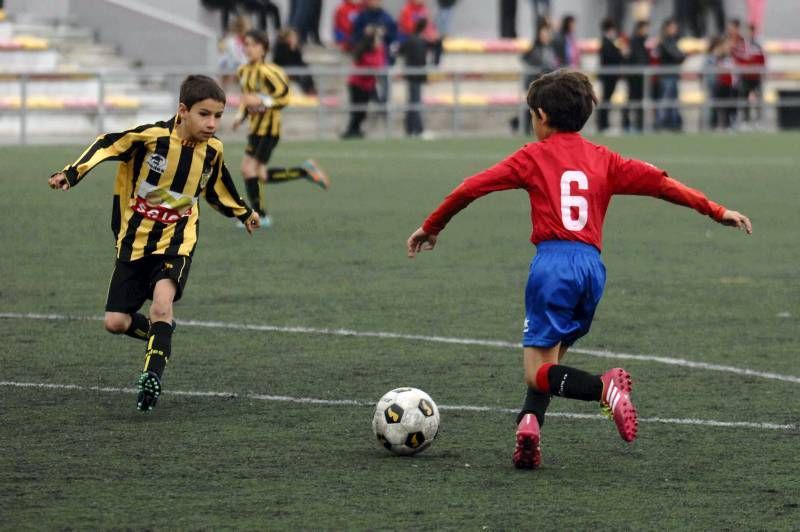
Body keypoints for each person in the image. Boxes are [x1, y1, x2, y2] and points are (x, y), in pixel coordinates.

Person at [406, 69, 751, 470]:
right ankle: (529, 425)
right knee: (550, 361)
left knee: (537, 372)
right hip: (591, 270)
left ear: (541, 115)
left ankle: (602, 389)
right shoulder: (605, 159)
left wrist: (431, 227)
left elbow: (470, 188)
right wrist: (716, 211)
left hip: (552, 265)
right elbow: (661, 183)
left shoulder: (531, 157)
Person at [47, 75, 262, 412]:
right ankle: (160, 334)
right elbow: (107, 143)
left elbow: (218, 187)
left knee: (162, 304)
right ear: (182, 111)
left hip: (177, 240)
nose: (212, 123)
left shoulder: (213, 151)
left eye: (218, 116)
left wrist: (243, 212)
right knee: (115, 322)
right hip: (133, 241)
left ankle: (152, 377)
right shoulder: (150, 139)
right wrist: (72, 172)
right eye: (204, 114)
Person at [233, 29, 330, 227]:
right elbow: (246, 98)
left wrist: (262, 101)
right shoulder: (243, 71)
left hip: (269, 130)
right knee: (257, 173)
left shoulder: (272, 72)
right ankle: (304, 171)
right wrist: (240, 117)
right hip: (254, 129)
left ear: (264, 49)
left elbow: (284, 98)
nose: (248, 48)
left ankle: (259, 216)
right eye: (246, 44)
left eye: (253, 44)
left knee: (250, 170)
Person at [342, 24, 387, 138]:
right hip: (357, 85)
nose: (379, 43)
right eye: (377, 40)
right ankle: (351, 131)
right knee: (357, 110)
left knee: (363, 110)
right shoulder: (364, 53)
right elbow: (375, 65)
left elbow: (380, 64)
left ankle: (355, 130)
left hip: (368, 85)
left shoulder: (376, 52)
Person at [513, 21, 558, 135]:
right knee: (532, 107)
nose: (546, 36)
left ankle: (520, 124)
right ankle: (520, 125)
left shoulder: (551, 48)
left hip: (547, 83)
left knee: (542, 107)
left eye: (547, 34)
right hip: (535, 82)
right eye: (544, 34)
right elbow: (524, 59)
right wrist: (534, 70)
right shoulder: (535, 48)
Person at [399, 18, 429, 136]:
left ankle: (410, 129)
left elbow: (400, 51)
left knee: (412, 102)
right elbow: (420, 61)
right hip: (415, 76)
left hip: (411, 75)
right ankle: (417, 129)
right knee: (415, 103)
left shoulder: (411, 39)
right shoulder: (419, 41)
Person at [655, 18, 685, 131]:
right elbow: (677, 55)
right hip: (667, 75)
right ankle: (660, 122)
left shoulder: (672, 40)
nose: (675, 29)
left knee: (672, 99)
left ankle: (673, 122)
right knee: (666, 99)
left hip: (672, 75)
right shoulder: (665, 40)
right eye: (673, 27)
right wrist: (681, 56)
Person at [597, 18, 624, 133]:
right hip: (608, 76)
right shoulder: (606, 43)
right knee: (606, 99)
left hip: (611, 76)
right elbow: (611, 57)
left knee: (607, 99)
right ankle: (603, 125)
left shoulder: (609, 42)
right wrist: (620, 53)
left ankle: (604, 124)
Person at [623, 19, 650, 133]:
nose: (647, 31)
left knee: (638, 101)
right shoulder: (634, 42)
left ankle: (639, 125)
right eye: (645, 28)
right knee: (632, 100)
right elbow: (635, 58)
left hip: (640, 77)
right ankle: (627, 124)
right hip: (634, 77)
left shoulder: (642, 41)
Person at [273, 27, 317, 95]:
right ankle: (309, 91)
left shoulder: (295, 48)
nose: (296, 39)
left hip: (294, 71)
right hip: (284, 71)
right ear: (287, 38)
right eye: (293, 37)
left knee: (305, 69)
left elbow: (299, 61)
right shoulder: (281, 48)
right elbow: (282, 62)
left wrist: (294, 49)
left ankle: (310, 91)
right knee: (303, 74)